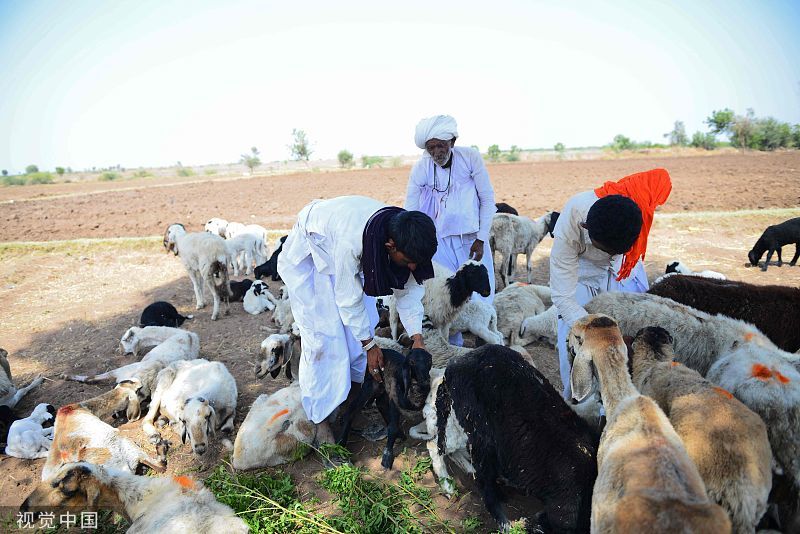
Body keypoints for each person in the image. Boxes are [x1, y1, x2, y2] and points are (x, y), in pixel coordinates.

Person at [276, 195, 437, 428]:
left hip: (343, 255)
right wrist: (370, 345)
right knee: (323, 338)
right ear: (390, 246)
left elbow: (409, 292)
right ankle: (320, 421)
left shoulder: (407, 236)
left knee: (363, 329)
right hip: (313, 254)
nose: (413, 267)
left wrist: (417, 339)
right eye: (409, 260)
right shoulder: (351, 242)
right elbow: (347, 298)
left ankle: (350, 409)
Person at [550, 168, 672, 399]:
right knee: (577, 345)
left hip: (625, 272)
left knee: (637, 337)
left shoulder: (635, 204)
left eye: (619, 251)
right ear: (587, 230)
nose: (612, 255)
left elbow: (661, 177)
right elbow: (563, 296)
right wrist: (600, 334)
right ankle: (579, 403)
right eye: (608, 251)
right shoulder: (572, 224)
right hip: (583, 279)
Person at [405, 115, 497, 311]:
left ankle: (486, 337)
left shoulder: (470, 157)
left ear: (452, 141)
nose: (437, 152)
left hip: (472, 239)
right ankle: (454, 340)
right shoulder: (422, 167)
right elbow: (410, 210)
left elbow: (488, 200)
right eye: (431, 148)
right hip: (441, 241)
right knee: (448, 293)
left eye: (441, 146)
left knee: (481, 292)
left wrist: (481, 239)